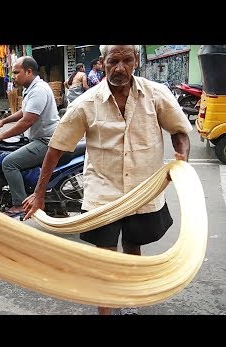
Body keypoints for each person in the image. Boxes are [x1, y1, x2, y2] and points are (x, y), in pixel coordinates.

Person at [23, 45, 192, 315]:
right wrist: (40, 193)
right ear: (102, 63)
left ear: (136, 60)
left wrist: (181, 158)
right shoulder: (86, 104)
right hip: (104, 192)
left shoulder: (156, 95)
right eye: (114, 61)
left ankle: (131, 304)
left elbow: (179, 129)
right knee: (104, 256)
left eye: (127, 60)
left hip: (143, 189)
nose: (120, 68)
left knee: (134, 247)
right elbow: (56, 148)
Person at [0, 56, 60, 218]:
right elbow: (24, 112)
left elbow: (27, 121)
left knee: (9, 163)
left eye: (16, 72)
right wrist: (3, 121)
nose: (13, 76)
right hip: (39, 138)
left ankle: (19, 204)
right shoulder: (31, 88)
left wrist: (0, 136)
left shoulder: (38, 90)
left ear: (29, 71)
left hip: (47, 141)